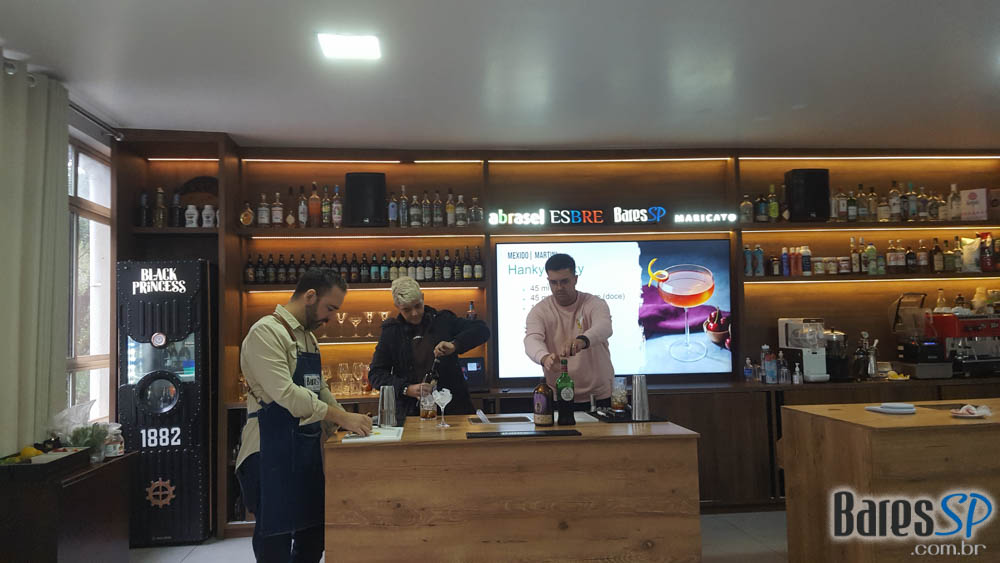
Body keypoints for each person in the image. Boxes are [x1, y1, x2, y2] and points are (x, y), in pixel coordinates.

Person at [235, 268, 372, 563]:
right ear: (310, 296)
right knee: (275, 545)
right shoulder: (266, 332)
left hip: (304, 452)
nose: (331, 318)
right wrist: (342, 418)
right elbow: (286, 395)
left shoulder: (309, 338)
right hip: (268, 453)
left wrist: (344, 423)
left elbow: (318, 388)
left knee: (313, 538)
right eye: (330, 308)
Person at [369, 276, 490, 419]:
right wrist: (406, 388)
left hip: (454, 410)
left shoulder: (443, 320)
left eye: (417, 306)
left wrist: (454, 345)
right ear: (397, 307)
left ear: (423, 297)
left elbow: (482, 330)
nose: (414, 313)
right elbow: (376, 374)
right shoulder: (391, 332)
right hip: (411, 414)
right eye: (407, 310)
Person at [524, 253, 614, 410]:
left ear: (575, 279)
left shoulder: (594, 303)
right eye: (553, 282)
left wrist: (582, 340)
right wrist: (544, 357)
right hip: (559, 395)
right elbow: (531, 339)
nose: (559, 287)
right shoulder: (539, 311)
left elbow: (604, 327)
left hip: (599, 396)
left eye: (564, 281)